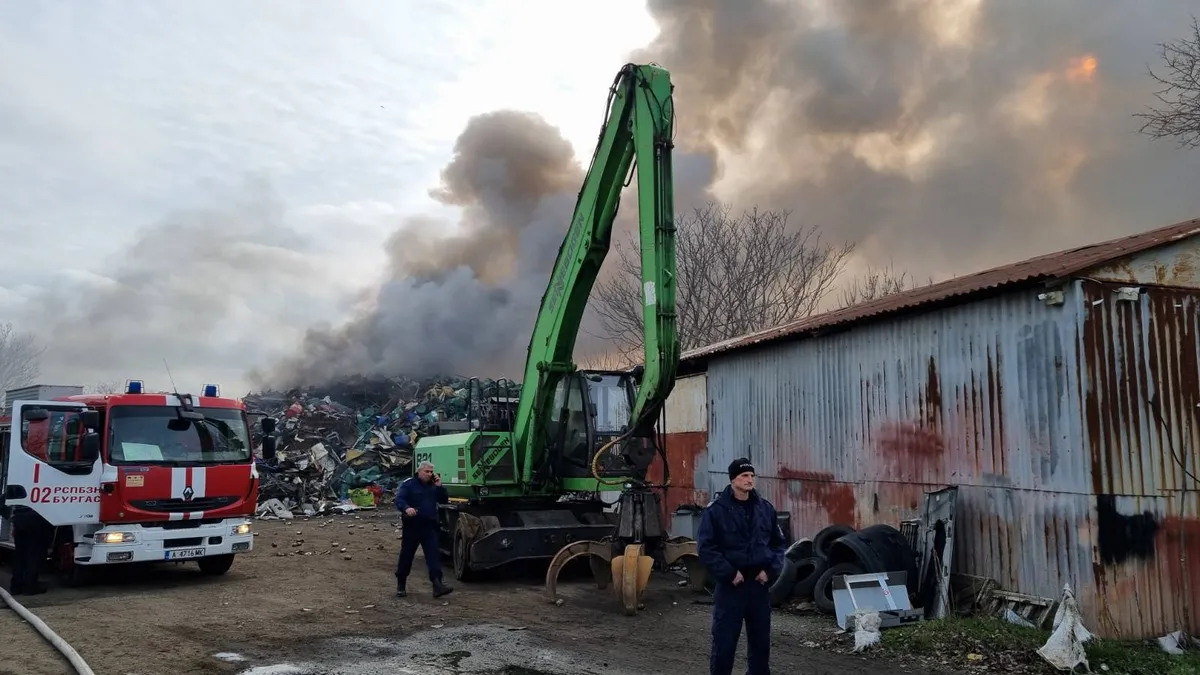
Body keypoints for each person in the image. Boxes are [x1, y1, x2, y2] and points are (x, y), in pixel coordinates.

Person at [696, 458, 787, 675]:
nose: (749, 480)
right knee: (724, 644)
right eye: (744, 476)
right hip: (731, 588)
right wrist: (729, 573)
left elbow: (778, 544)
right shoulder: (717, 511)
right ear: (733, 479)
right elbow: (706, 548)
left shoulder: (765, 509)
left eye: (752, 476)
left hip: (758, 586)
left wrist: (770, 571)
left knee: (760, 645)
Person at [393, 461, 454, 598]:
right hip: (412, 527)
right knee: (406, 556)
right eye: (427, 471)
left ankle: (437, 584)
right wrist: (406, 508)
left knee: (433, 556)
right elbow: (400, 500)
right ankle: (401, 584)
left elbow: (444, 500)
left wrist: (440, 487)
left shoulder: (433, 486)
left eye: (431, 472)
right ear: (419, 472)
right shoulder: (409, 485)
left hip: (429, 526)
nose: (430, 474)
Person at [8, 506, 54, 596]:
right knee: (35, 555)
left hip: (19, 519)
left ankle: (16, 587)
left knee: (20, 555)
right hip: (37, 519)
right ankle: (29, 586)